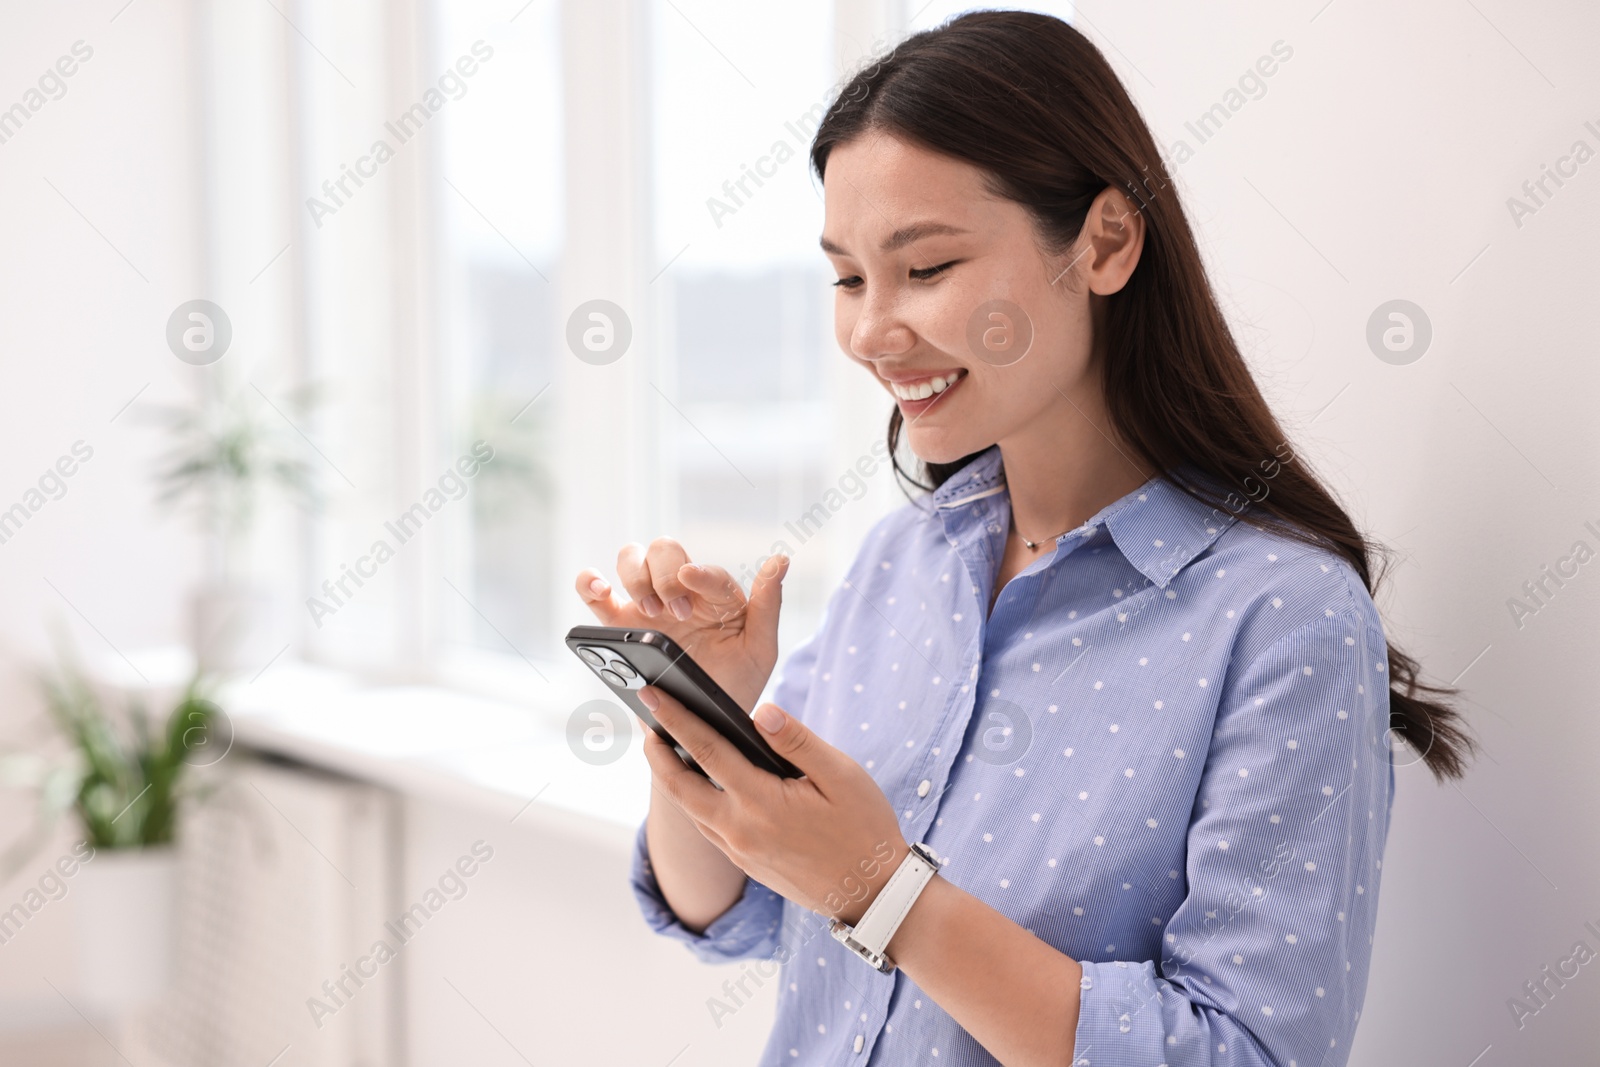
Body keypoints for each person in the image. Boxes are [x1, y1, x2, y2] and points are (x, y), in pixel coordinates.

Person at [575, 11, 1474, 1066]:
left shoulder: (1281, 620)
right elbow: (730, 909)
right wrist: (705, 714)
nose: (870, 331)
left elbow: (1246, 1052)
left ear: (1103, 242)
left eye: (926, 266)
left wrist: (883, 887)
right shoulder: (901, 563)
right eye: (849, 278)